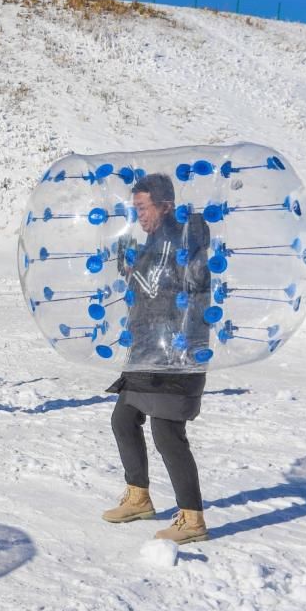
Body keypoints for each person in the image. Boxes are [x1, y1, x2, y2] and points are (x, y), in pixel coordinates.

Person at [102, 172, 212, 544]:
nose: (140, 216)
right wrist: (132, 268)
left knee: (167, 433)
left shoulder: (187, 242)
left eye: (144, 208)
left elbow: (186, 289)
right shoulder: (153, 243)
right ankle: (139, 497)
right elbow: (150, 291)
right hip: (147, 351)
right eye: (136, 209)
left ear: (166, 206)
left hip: (176, 353)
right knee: (123, 419)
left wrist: (146, 273)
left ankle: (193, 518)